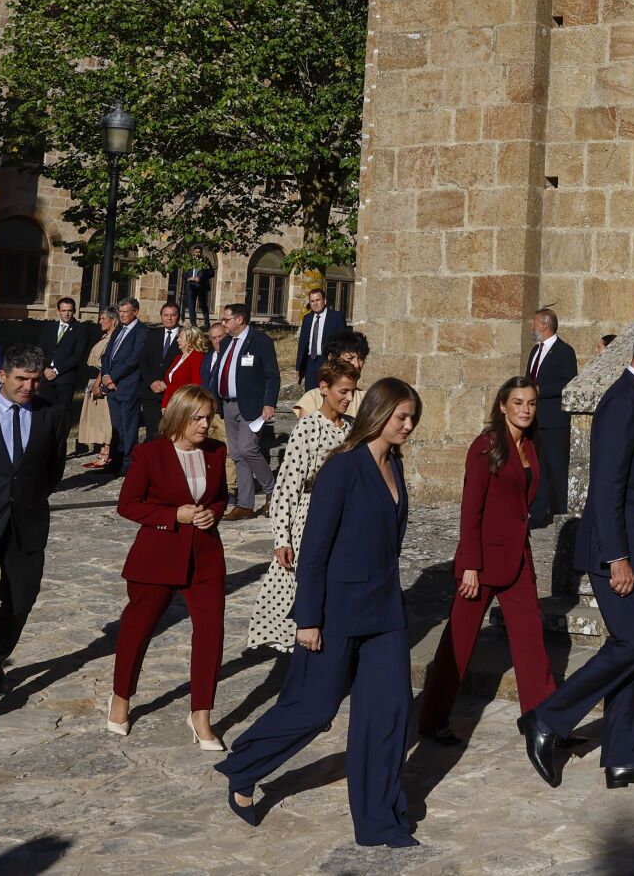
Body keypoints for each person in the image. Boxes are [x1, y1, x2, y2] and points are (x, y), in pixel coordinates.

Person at [219, 378, 422, 849]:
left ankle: (379, 818)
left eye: (413, 418)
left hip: (385, 611)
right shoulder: (342, 468)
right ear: (379, 413)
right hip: (333, 612)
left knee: (390, 713)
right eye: (402, 417)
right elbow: (315, 550)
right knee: (314, 708)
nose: (409, 426)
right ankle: (244, 768)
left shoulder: (395, 465)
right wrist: (308, 617)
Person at [522, 318, 634, 791]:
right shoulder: (621, 403)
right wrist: (618, 558)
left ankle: (623, 757)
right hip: (618, 552)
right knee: (632, 644)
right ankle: (547, 720)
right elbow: (608, 488)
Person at [420, 377, 557, 745]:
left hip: (518, 559)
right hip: (480, 565)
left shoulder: (530, 444)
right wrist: (469, 564)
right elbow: (471, 509)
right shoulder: (486, 446)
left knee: (531, 641)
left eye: (530, 403)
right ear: (502, 406)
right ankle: (431, 719)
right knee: (458, 644)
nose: (525, 409)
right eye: (517, 403)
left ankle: (543, 722)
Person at [109, 385, 227, 749]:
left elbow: (220, 497)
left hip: (205, 558)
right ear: (179, 416)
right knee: (137, 630)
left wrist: (213, 514)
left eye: (208, 417)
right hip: (157, 557)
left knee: (211, 634)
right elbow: (127, 505)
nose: (205, 425)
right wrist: (172, 516)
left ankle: (201, 716)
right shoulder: (150, 454)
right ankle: (120, 699)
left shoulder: (216, 452)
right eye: (198, 418)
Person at [250, 359, 360, 651]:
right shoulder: (309, 426)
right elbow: (287, 485)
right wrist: (282, 537)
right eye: (343, 391)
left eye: (353, 391)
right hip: (312, 516)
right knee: (305, 586)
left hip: (347, 518)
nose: (349, 398)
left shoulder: (352, 428)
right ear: (324, 389)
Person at [0, 345, 67, 702]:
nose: (28, 387)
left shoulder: (51, 413)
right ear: (2, 375)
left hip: (27, 520)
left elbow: (54, 469)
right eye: (21, 379)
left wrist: (31, 499)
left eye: (35, 381)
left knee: (22, 596)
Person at [208, 304, 279, 520]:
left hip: (251, 405)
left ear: (240, 320)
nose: (224, 323)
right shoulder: (227, 342)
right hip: (227, 404)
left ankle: (272, 490)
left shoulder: (260, 341)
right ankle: (245, 505)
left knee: (248, 449)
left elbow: (272, 375)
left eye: (227, 319)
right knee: (237, 454)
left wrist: (269, 403)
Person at [525, 308, 578, 528]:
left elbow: (569, 382)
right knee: (538, 468)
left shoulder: (564, 351)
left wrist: (540, 389)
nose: (532, 327)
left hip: (555, 421)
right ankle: (538, 513)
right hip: (535, 421)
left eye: (534, 323)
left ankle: (564, 514)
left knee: (557, 467)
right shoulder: (534, 352)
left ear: (544, 326)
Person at [98, 298, 150, 474]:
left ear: (135, 311)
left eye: (125, 312)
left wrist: (113, 377)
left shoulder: (142, 331)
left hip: (128, 386)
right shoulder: (119, 329)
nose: (121, 315)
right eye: (120, 312)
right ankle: (116, 459)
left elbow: (133, 359)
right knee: (116, 426)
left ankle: (128, 461)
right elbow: (107, 355)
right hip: (112, 386)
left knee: (129, 426)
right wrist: (105, 375)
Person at [293, 330, 369, 421]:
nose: (356, 364)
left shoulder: (367, 399)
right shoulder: (312, 399)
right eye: (350, 358)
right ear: (332, 358)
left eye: (361, 359)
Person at [76, 315, 118, 468]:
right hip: (92, 380)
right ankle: (102, 449)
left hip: (99, 381)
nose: (100, 321)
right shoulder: (103, 337)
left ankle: (106, 452)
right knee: (95, 417)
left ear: (113, 320)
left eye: (104, 318)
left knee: (104, 418)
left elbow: (106, 365)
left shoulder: (113, 339)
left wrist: (98, 384)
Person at [39, 297, 88, 419]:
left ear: (74, 311)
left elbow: (78, 355)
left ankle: (61, 438)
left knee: (62, 413)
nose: (66, 313)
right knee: (44, 410)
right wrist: (44, 368)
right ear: (58, 311)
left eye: (69, 310)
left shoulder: (81, 330)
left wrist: (56, 370)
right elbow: (40, 350)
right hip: (46, 376)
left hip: (66, 378)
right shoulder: (49, 327)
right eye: (64, 310)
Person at [293, 288, 347, 395]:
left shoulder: (336, 317)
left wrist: (338, 361)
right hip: (310, 363)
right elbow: (303, 343)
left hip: (327, 362)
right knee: (311, 396)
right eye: (312, 301)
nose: (315, 303)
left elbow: (343, 341)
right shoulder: (307, 319)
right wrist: (299, 367)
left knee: (328, 394)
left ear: (325, 301)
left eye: (318, 300)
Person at [143, 301, 184, 436]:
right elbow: (143, 361)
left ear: (178, 316)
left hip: (173, 393)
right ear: (161, 316)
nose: (169, 318)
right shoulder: (152, 334)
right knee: (152, 432)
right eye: (166, 315)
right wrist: (151, 382)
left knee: (172, 432)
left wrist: (169, 384)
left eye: (173, 315)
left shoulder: (185, 336)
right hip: (152, 392)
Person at [162, 326, 212, 409]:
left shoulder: (197, 358)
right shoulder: (178, 358)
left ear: (190, 340)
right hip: (172, 405)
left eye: (181, 337)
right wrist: (164, 405)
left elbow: (196, 385)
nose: (178, 340)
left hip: (186, 406)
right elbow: (170, 385)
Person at [182, 259, 214, 329]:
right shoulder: (189, 262)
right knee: (191, 306)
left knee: (203, 305)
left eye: (199, 252)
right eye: (196, 252)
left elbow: (211, 273)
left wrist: (201, 278)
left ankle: (206, 324)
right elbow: (184, 274)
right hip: (191, 286)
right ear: (194, 252)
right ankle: (193, 325)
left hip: (201, 286)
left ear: (201, 252)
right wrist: (189, 278)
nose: (197, 253)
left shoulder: (205, 262)